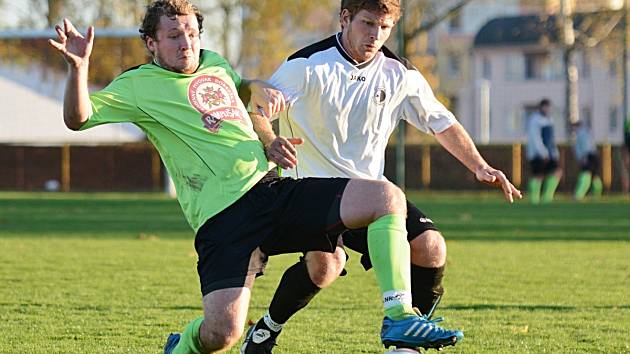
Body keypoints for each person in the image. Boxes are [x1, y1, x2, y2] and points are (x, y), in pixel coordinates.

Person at [48, 1, 465, 353]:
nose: (186, 43)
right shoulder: (137, 85)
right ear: (151, 43)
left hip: (272, 192)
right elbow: (78, 118)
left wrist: (263, 112)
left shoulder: (215, 63)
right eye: (174, 36)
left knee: (384, 198)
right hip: (223, 219)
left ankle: (398, 317)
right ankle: (183, 346)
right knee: (221, 335)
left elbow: (243, 92)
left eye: (192, 33)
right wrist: (78, 70)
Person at [240, 1, 522, 353]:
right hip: (312, 193)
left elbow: (441, 121)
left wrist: (479, 165)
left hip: (369, 199)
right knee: (326, 267)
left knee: (432, 248)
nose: (375, 35)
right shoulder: (306, 66)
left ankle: (406, 342)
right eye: (367, 23)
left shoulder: (399, 74)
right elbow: (259, 109)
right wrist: (270, 140)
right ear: (345, 19)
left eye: (384, 27)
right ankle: (266, 329)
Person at [526, 99, 561, 204]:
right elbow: (535, 138)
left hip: (549, 153)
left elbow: (551, 139)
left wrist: (554, 152)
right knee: (538, 176)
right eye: (546, 107)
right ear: (541, 107)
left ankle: (547, 197)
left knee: (556, 172)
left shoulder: (549, 119)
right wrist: (543, 152)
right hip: (538, 154)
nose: (548, 109)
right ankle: (534, 199)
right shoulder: (535, 120)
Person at [572, 120, 602, 200]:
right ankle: (597, 193)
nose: (573, 129)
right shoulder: (586, 133)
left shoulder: (581, 134)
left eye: (574, 127)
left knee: (585, 174)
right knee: (594, 176)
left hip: (588, 156)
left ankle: (579, 194)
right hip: (594, 155)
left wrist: (584, 157)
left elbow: (585, 147)